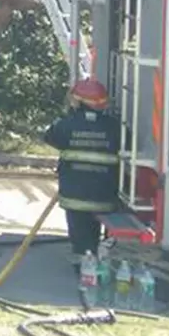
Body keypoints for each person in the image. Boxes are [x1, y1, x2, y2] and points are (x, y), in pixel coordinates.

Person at [43, 78, 120, 261]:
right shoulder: (114, 126)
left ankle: (84, 270)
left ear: (78, 101)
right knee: (95, 235)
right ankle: (97, 259)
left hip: (75, 198)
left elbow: (49, 137)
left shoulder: (66, 124)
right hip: (104, 196)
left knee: (80, 240)